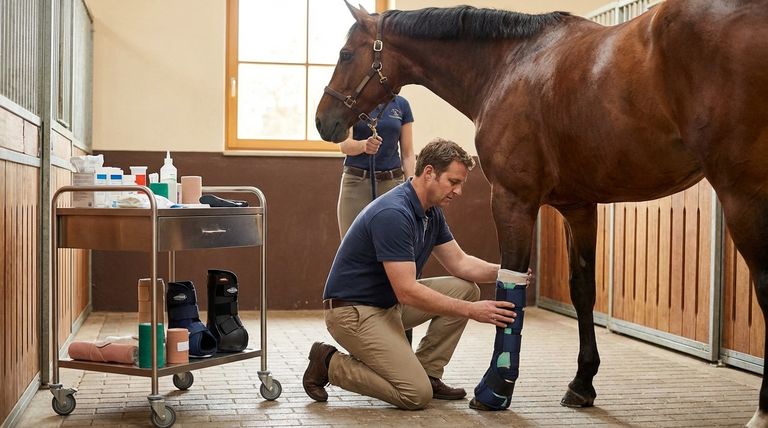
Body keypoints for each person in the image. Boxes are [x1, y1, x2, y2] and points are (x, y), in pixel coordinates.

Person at [303, 138, 529, 410]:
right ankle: (329, 364)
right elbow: (407, 291)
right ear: (429, 172)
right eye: (453, 182)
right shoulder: (394, 213)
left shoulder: (430, 212)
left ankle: (427, 373)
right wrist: (471, 311)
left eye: (461, 184)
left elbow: (460, 263)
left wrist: (507, 272)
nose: (458, 191)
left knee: (466, 288)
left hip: (386, 305)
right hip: (353, 313)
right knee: (414, 395)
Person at [337, 94, 415, 237]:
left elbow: (408, 153)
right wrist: (363, 146)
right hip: (356, 183)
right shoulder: (352, 103)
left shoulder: (401, 105)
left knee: (392, 242)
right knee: (351, 245)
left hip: (392, 185)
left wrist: (411, 187)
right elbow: (344, 145)